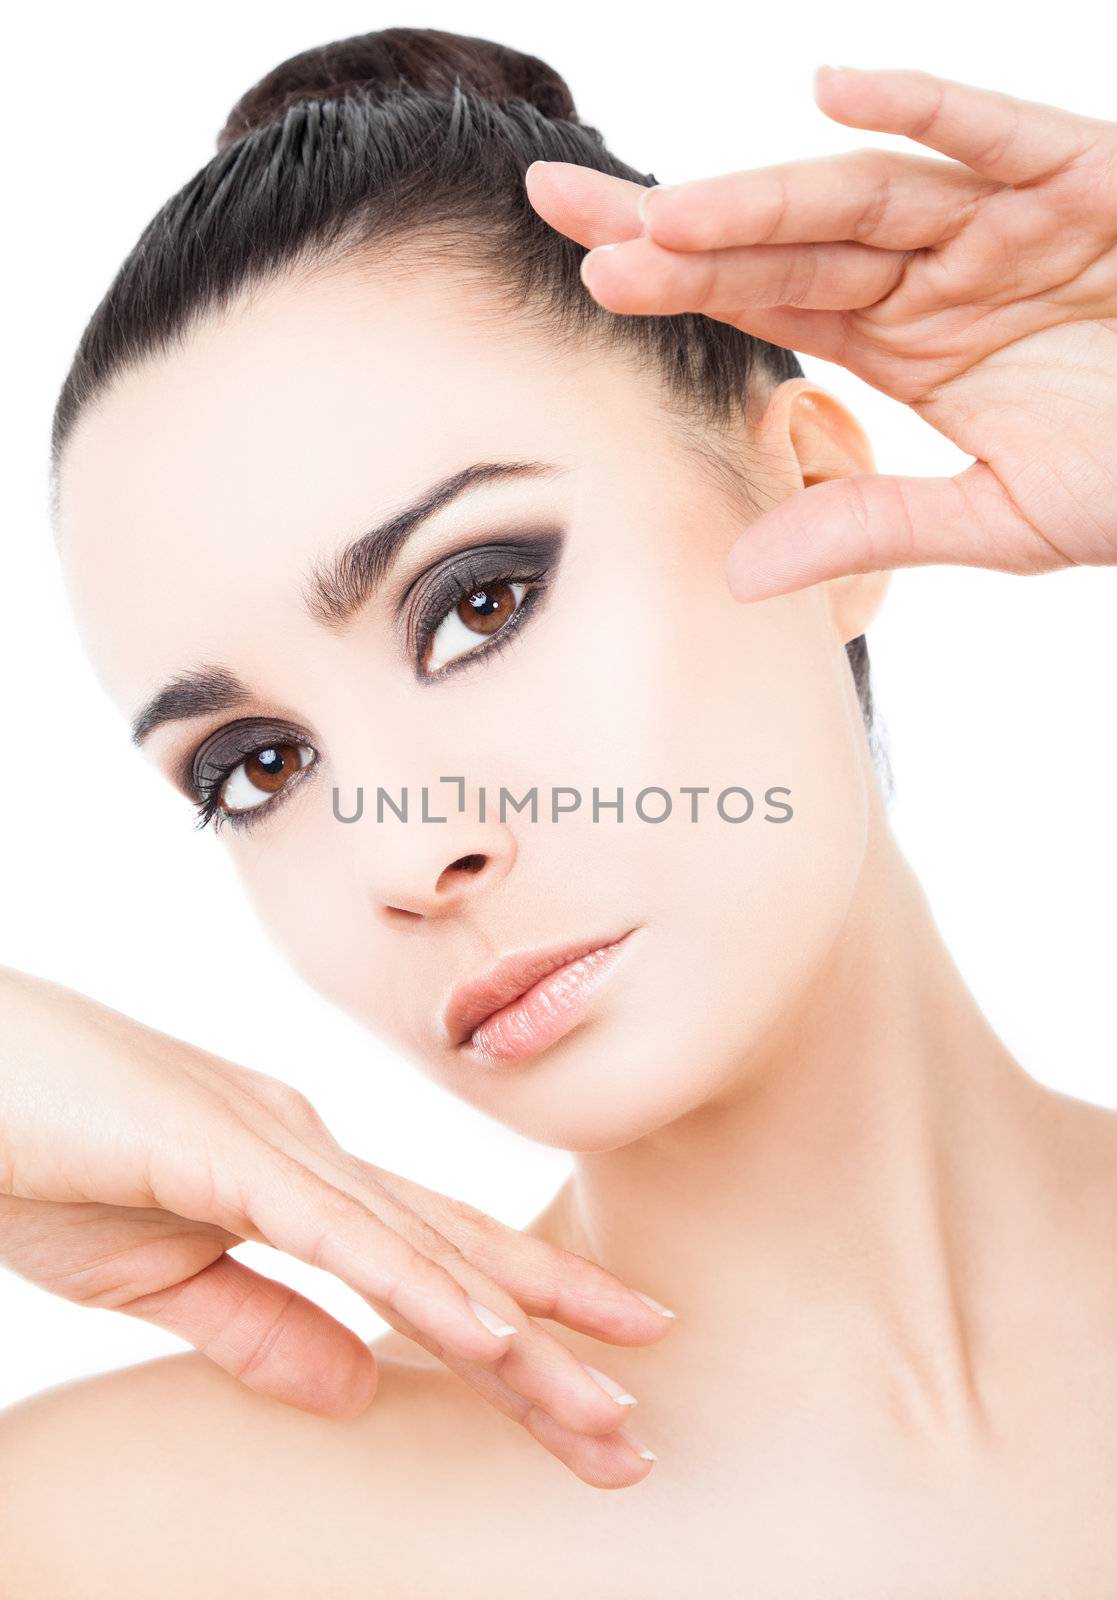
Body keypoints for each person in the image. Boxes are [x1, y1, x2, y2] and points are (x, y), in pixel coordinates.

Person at [2, 27, 1115, 1596]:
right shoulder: (134, 1533)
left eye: (476, 604)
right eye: (256, 766)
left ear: (808, 493)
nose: (405, 852)